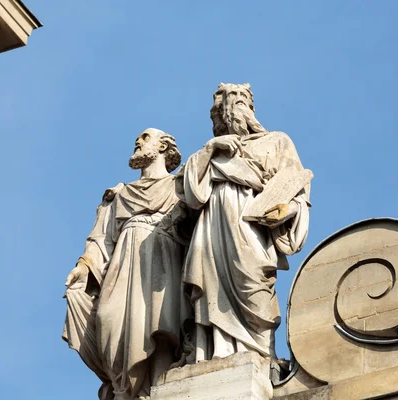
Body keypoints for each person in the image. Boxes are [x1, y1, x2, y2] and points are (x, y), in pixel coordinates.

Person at [178, 83, 311, 361]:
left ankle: (261, 353)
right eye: (227, 107)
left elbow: (297, 188)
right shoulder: (209, 153)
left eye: (241, 104)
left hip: (252, 223)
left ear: (251, 110)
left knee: (254, 283)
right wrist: (211, 149)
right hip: (213, 222)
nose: (235, 111)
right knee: (212, 283)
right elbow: (192, 195)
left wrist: (286, 209)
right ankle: (218, 351)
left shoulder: (277, 141)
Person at [63, 128, 191, 400]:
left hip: (163, 257)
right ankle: (125, 389)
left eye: (145, 137)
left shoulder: (179, 185)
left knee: (160, 324)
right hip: (122, 263)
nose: (138, 141)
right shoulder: (120, 194)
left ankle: (159, 388)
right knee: (108, 318)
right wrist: (84, 267)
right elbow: (100, 239)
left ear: (164, 147)